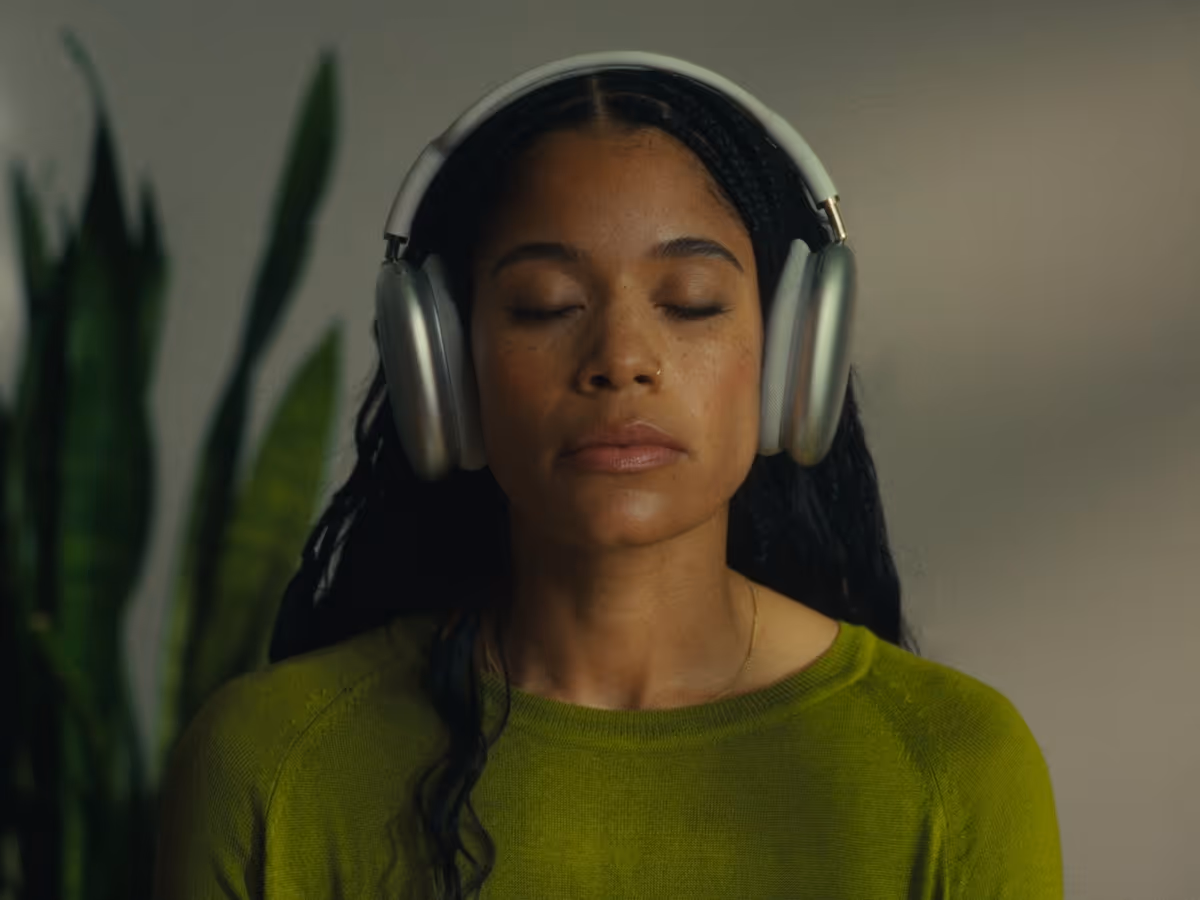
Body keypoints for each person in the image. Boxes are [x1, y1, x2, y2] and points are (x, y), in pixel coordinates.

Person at [153, 54, 1063, 900]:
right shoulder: (269, 764)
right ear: (443, 368)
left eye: (691, 304)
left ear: (792, 359)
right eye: (546, 306)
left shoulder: (953, 765)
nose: (622, 360)